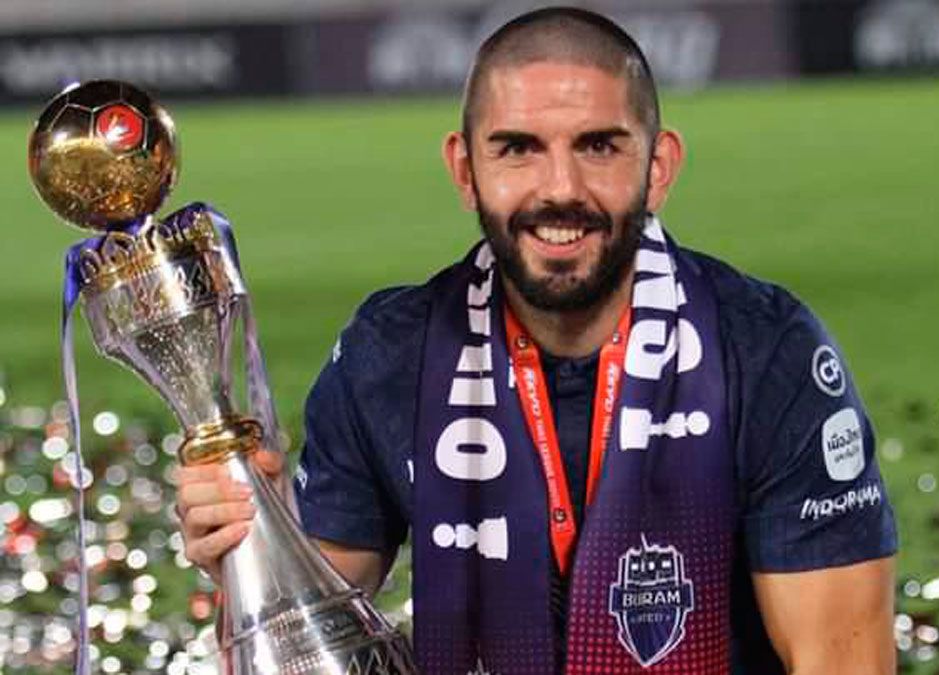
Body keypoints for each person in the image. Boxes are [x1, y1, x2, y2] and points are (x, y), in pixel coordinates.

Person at [176, 7, 898, 674]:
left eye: (599, 146)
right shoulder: (390, 355)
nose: (561, 188)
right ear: (466, 170)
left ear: (659, 167)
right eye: (518, 148)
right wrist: (258, 553)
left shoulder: (764, 351)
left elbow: (841, 661)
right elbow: (303, 649)